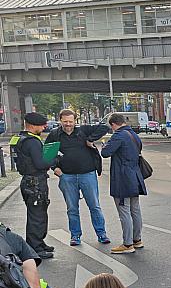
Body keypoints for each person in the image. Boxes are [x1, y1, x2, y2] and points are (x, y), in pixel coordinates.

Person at [46, 109, 110, 246]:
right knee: (72, 209)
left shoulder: (84, 130)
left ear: (75, 120)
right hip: (67, 176)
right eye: (65, 121)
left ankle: (102, 233)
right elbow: (47, 154)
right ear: (60, 120)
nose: (68, 124)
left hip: (87, 175)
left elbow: (104, 127)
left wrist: (90, 139)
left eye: (71, 121)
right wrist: (54, 168)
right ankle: (75, 235)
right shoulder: (54, 134)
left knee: (94, 206)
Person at [9, 112, 57, 259]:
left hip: (28, 181)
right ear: (33, 125)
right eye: (42, 125)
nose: (44, 127)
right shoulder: (32, 142)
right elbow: (40, 163)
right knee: (37, 215)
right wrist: (53, 157)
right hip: (36, 182)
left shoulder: (19, 138)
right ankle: (35, 247)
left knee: (38, 213)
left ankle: (39, 242)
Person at [101, 113, 147, 254]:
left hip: (122, 178)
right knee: (135, 210)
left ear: (114, 124)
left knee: (124, 211)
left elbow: (106, 153)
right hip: (135, 176)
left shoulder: (118, 135)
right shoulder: (134, 135)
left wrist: (104, 145)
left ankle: (127, 244)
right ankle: (137, 240)